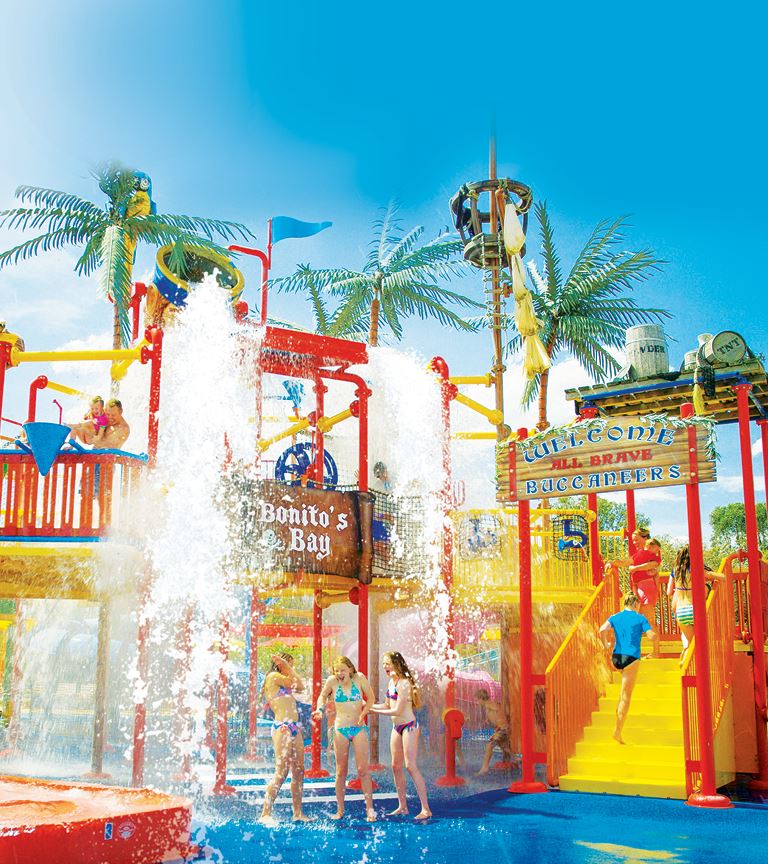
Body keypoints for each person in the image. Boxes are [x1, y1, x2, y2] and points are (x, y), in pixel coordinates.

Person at [313, 656, 377, 822]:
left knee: (363, 770)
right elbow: (322, 696)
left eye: (342, 670)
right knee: (341, 771)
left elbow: (371, 698)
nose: (339, 673)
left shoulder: (360, 678)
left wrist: (364, 713)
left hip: (358, 728)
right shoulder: (332, 681)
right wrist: (320, 709)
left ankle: (370, 809)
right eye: (337, 671)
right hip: (340, 729)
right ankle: (340, 809)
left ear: (350, 669)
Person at [370, 651, 432, 820]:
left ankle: (426, 809)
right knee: (395, 766)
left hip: (409, 727)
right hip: (396, 727)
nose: (385, 666)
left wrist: (372, 711)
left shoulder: (404, 683)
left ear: (397, 664)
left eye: (388, 663)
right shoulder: (391, 682)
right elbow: (386, 705)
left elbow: (397, 710)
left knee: (410, 766)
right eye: (383, 664)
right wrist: (369, 706)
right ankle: (402, 806)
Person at [259, 652, 311, 825]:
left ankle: (298, 813)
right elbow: (297, 683)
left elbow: (301, 687)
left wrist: (287, 667)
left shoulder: (285, 680)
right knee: (281, 772)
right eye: (290, 664)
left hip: (294, 727)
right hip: (282, 727)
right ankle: (265, 813)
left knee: (299, 770)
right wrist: (286, 666)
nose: (292, 668)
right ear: (281, 664)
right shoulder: (273, 677)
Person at [598, 592, 658, 744]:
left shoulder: (615, 617)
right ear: (636, 604)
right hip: (631, 658)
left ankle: (618, 713)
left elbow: (602, 629)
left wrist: (606, 644)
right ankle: (617, 732)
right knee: (626, 697)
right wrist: (653, 638)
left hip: (616, 659)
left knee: (623, 692)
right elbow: (651, 635)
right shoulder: (640, 618)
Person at [606, 528, 661, 658]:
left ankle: (656, 652)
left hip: (646, 587)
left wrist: (635, 568)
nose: (634, 542)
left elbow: (654, 564)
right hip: (640, 588)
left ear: (645, 538)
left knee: (649, 620)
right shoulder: (639, 554)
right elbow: (625, 563)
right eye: (633, 540)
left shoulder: (650, 552)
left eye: (636, 539)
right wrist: (611, 562)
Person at [475, 688, 515, 775]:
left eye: (477, 700)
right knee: (505, 748)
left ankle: (484, 768)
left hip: (502, 729)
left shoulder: (489, 704)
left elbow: (497, 707)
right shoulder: (488, 707)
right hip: (502, 729)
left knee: (489, 745)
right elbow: (495, 715)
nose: (477, 702)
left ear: (481, 698)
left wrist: (493, 709)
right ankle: (519, 760)